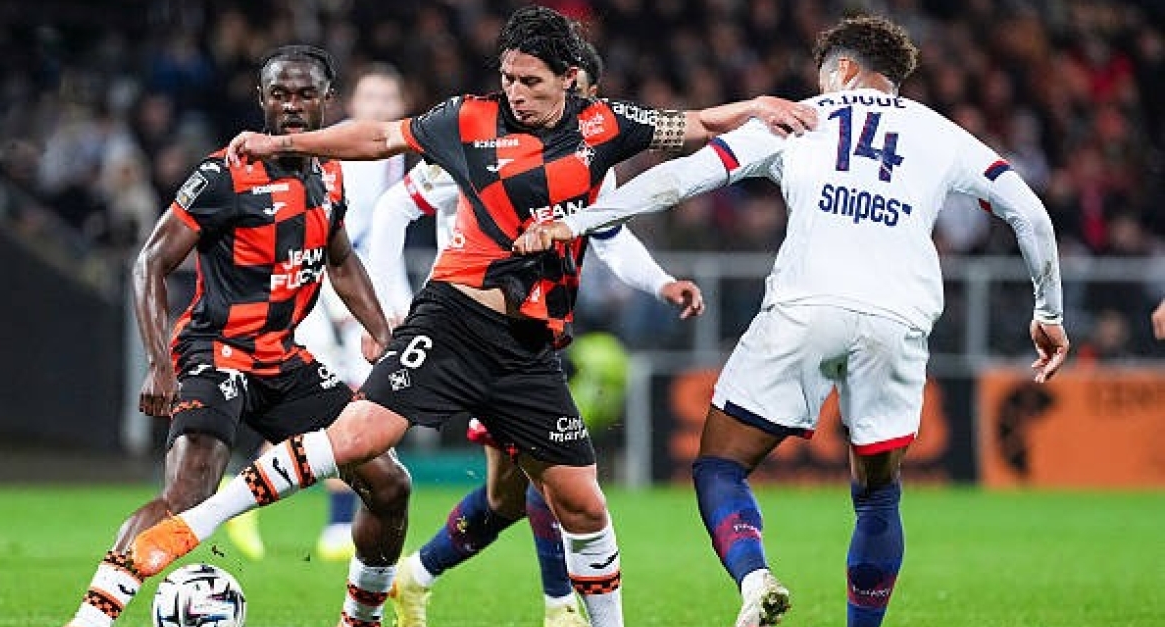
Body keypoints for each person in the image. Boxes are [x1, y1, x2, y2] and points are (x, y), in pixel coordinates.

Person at [130, 7, 816, 627]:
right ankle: (203, 519)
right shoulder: (468, 118)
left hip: (529, 350)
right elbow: (379, 138)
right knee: (361, 435)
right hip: (453, 320)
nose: (515, 92)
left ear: (569, 79)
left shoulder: (606, 125)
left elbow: (690, 125)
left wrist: (755, 106)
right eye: (509, 77)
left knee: (583, 502)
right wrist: (284, 147)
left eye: (531, 81)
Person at [514, 15, 1071, 627]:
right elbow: (1031, 214)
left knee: (720, 466)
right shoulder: (944, 135)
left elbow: (680, 179)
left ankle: (755, 580)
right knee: (879, 496)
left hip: (806, 307)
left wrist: (579, 220)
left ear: (847, 70)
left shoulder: (803, 116)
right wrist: (1047, 312)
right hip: (899, 317)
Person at [61, 46, 411, 627]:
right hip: (214, 352)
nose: (292, 107)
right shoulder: (223, 174)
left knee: (388, 481)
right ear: (262, 101)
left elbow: (341, 259)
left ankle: (362, 618)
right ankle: (90, 620)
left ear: (328, 99)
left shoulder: (329, 174)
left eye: (304, 95)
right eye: (279, 95)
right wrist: (159, 363)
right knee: (185, 501)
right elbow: (149, 263)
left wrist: (379, 330)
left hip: (283, 358)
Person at [369, 41, 705, 627]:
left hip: (530, 334)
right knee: (548, 476)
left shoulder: (582, 156)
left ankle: (416, 574)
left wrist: (661, 284)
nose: (593, 120)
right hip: (468, 331)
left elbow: (610, 236)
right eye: (588, 103)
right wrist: (394, 310)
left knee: (507, 497)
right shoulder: (489, 148)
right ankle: (559, 607)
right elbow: (395, 206)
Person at [226, 62, 414, 564]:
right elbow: (330, 246)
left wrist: (395, 309)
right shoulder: (339, 159)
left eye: (387, 99)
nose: (377, 107)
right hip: (324, 307)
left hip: (367, 307)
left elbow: (376, 250)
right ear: (351, 105)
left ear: (400, 108)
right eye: (369, 97)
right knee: (347, 416)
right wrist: (343, 311)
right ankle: (319, 520)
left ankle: (251, 492)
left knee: (350, 420)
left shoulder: (399, 164)